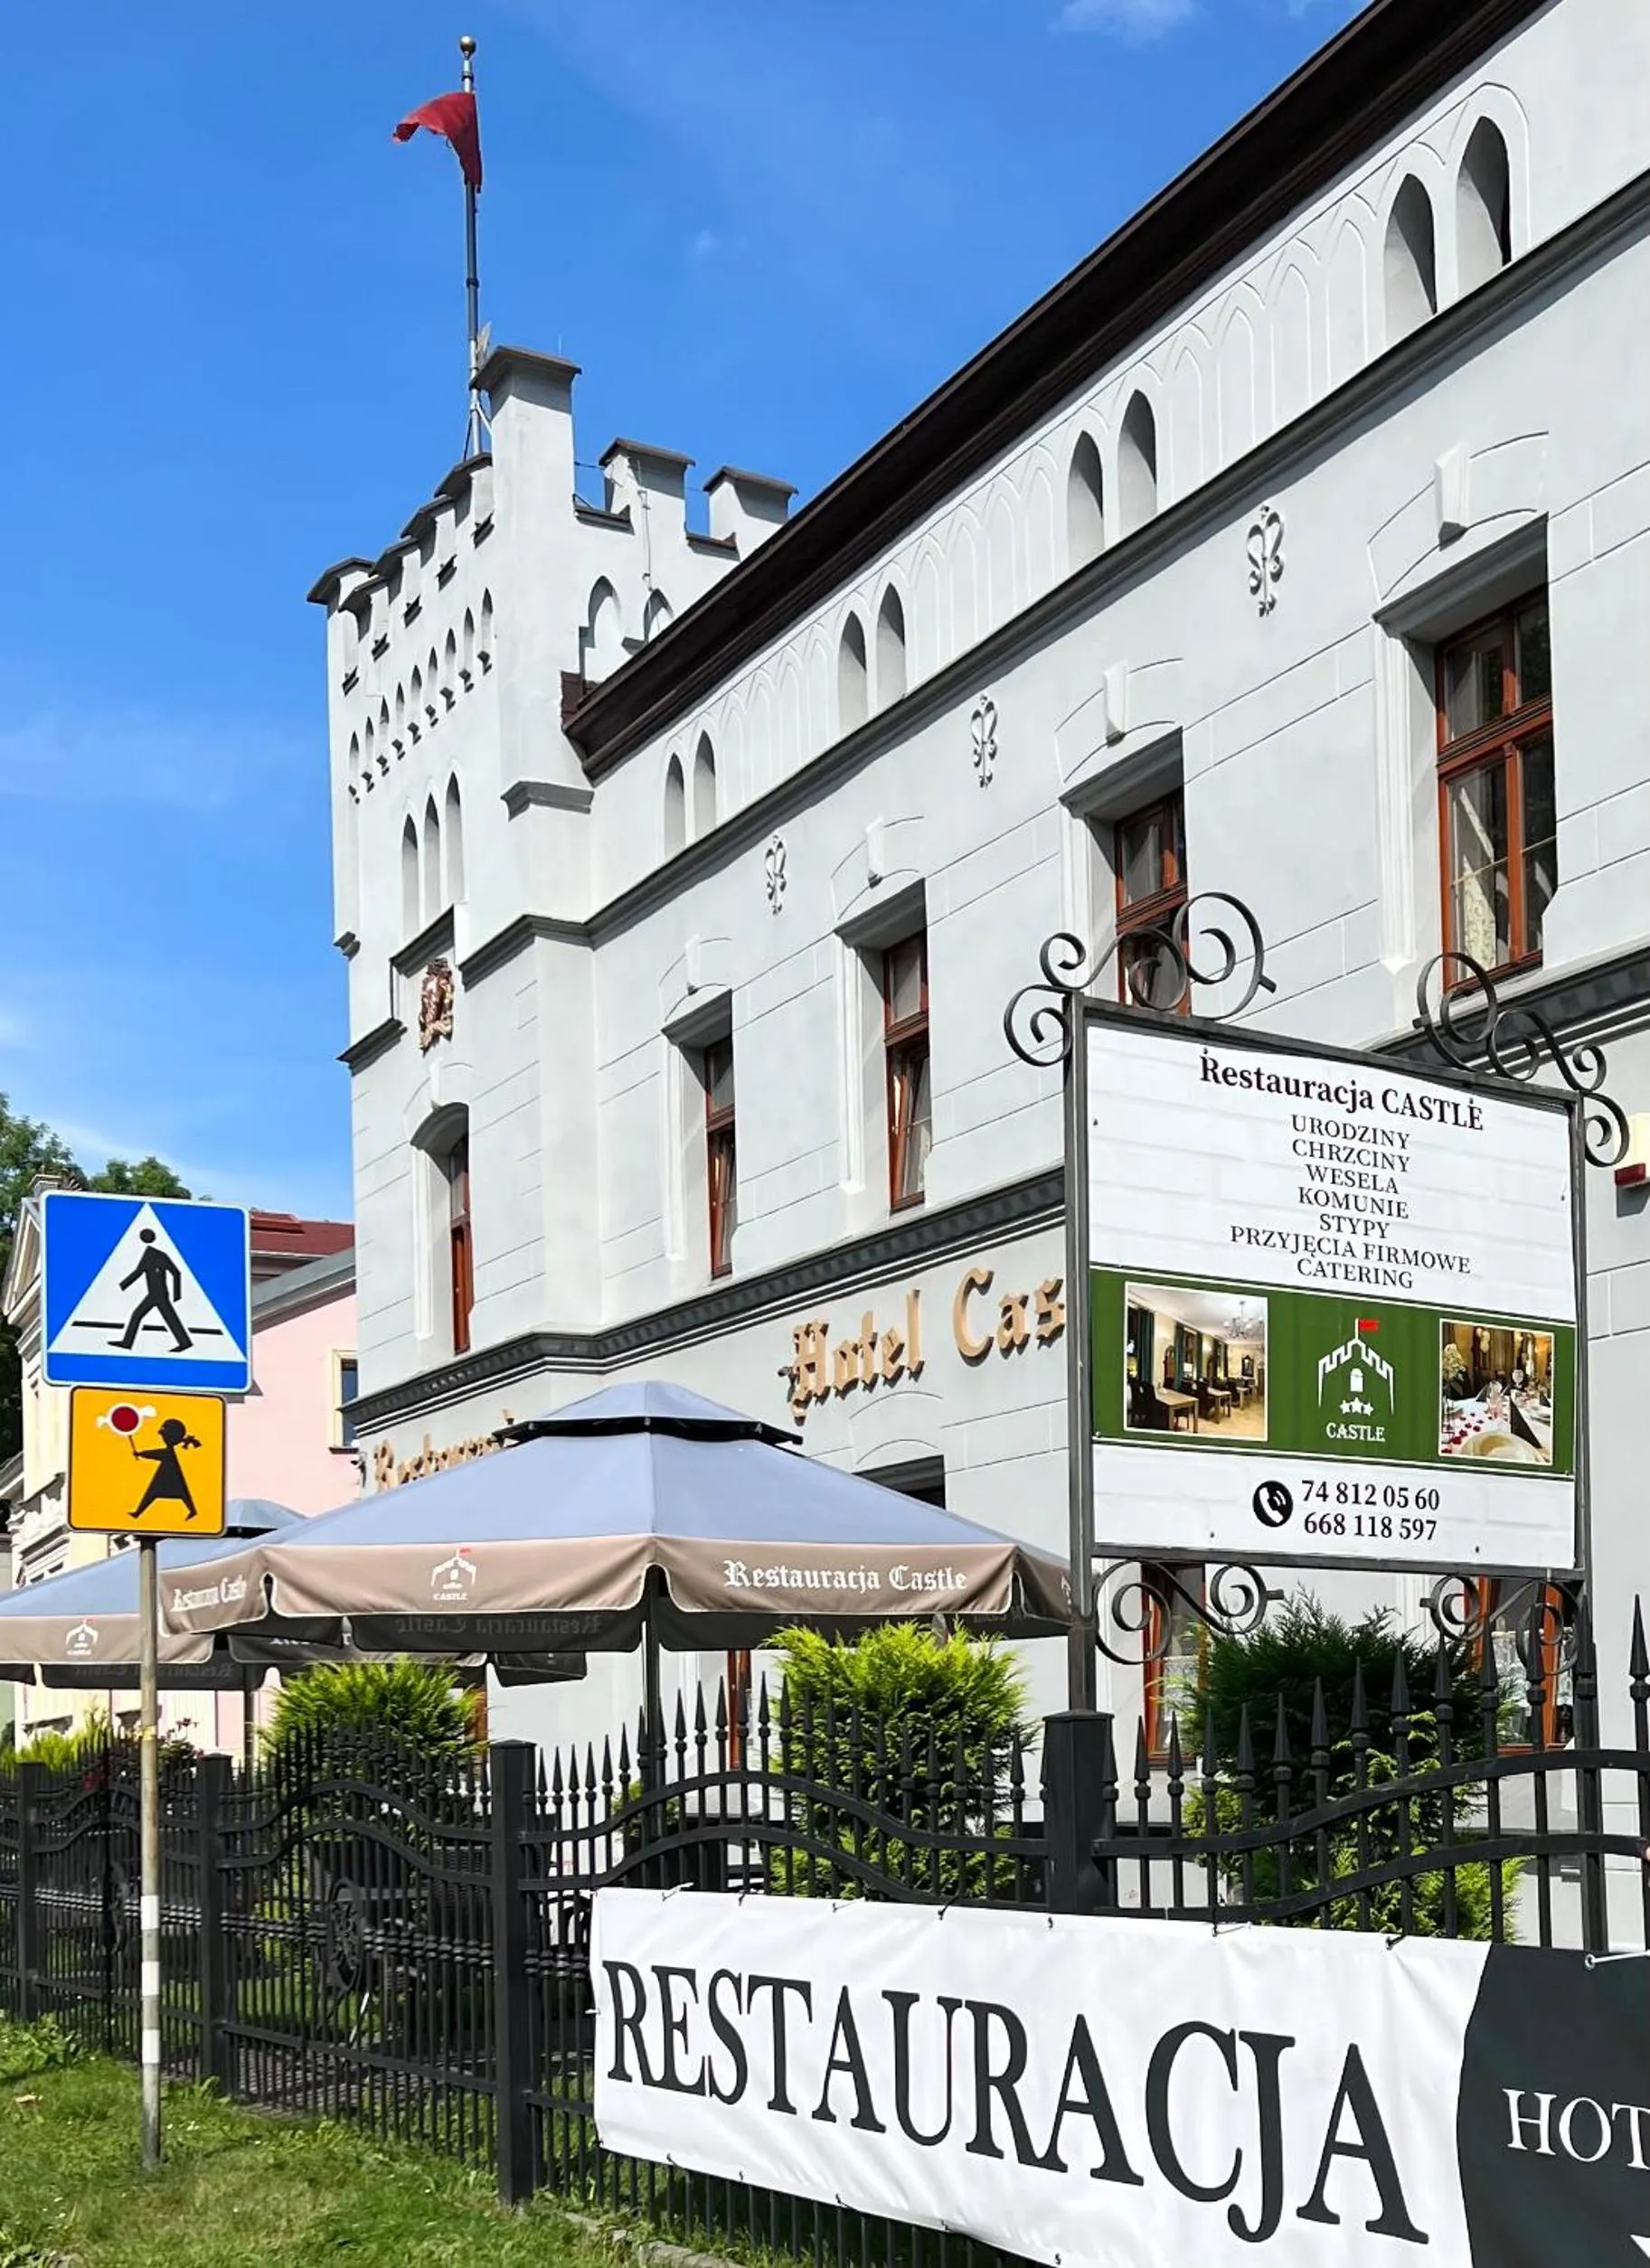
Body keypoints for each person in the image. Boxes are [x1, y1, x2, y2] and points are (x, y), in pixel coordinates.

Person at [115, 1229, 191, 1353]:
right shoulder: (149, 1255)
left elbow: (176, 1273)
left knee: (168, 1319)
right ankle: (127, 1343)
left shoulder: (157, 1255)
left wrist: (177, 1294)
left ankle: (185, 1342)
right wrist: (123, 1285)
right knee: (139, 1315)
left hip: (159, 1294)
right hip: (153, 1294)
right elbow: (139, 1272)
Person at [129, 1416, 202, 1520]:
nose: (161, 1436)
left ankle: (138, 1513)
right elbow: (157, 1453)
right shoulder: (169, 1451)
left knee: (155, 1491)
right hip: (168, 1475)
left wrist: (140, 1453)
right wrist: (141, 1454)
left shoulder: (168, 1452)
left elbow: (156, 1454)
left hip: (168, 1476)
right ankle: (137, 1513)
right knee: (178, 1493)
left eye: (163, 1434)